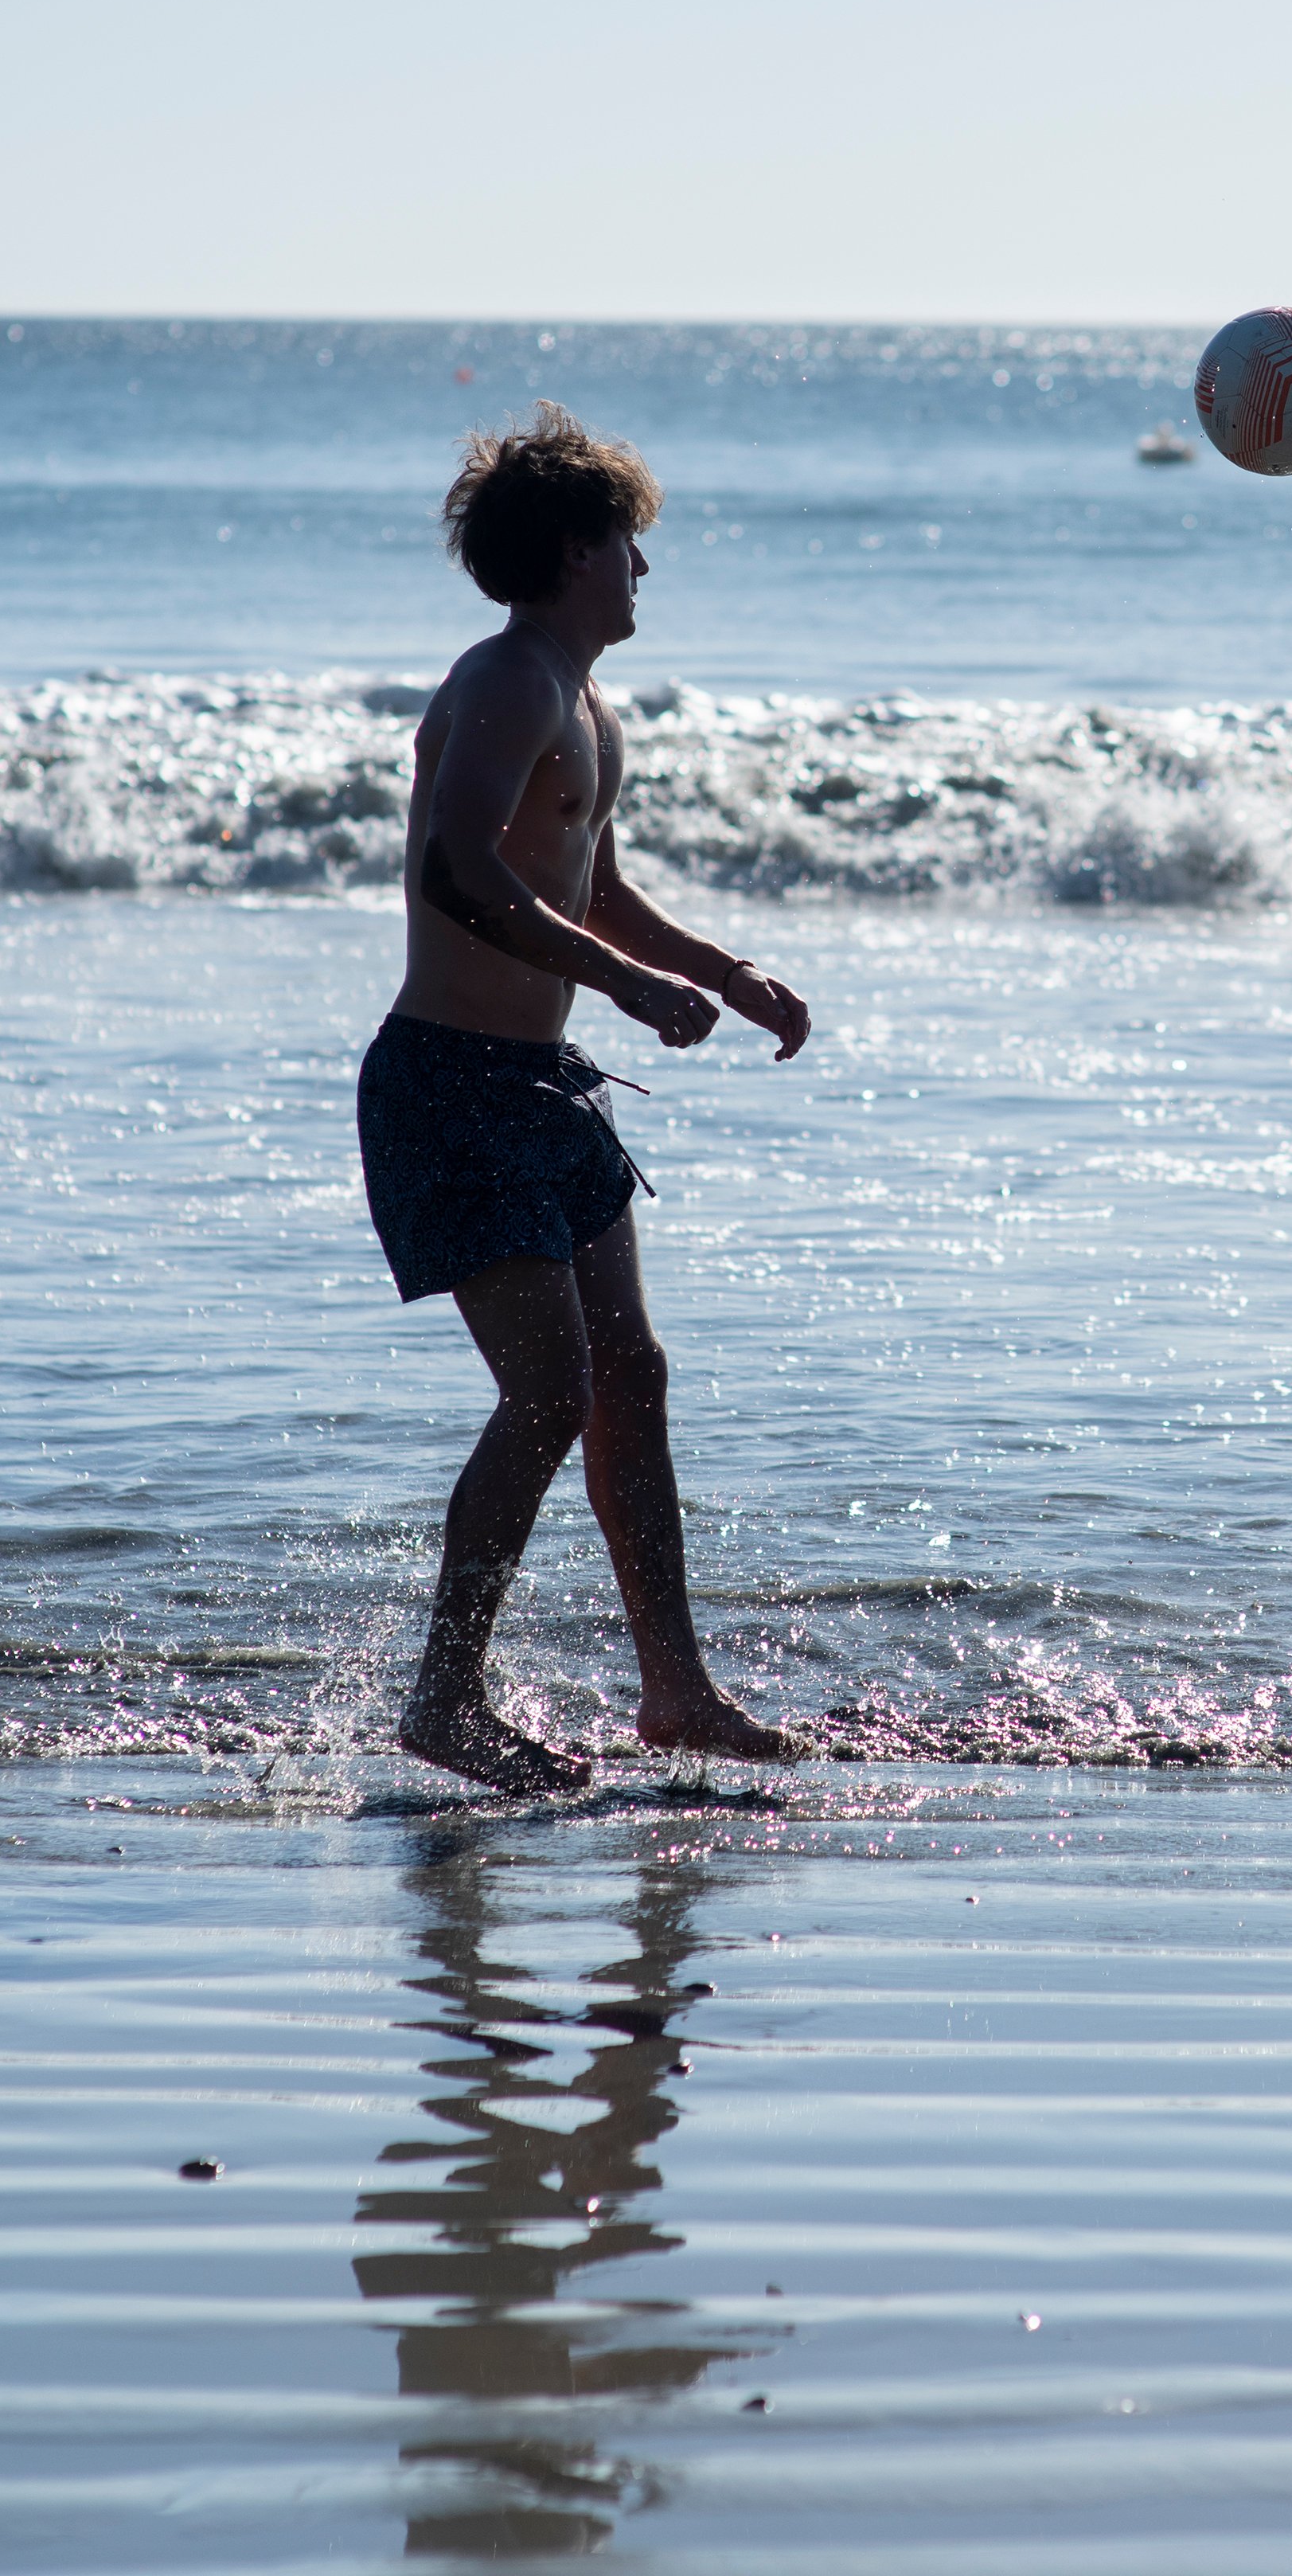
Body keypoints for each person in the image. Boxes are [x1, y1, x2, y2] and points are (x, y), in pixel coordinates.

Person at [363, 403, 810, 1790]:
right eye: (627, 543)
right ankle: (444, 1700)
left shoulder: (582, 699)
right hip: (452, 1084)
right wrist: (625, 986)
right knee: (550, 1388)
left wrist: (724, 973)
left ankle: (675, 1692)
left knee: (629, 1375)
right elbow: (458, 872)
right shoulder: (507, 681)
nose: (644, 569)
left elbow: (587, 887)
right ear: (573, 550)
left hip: (547, 1086)